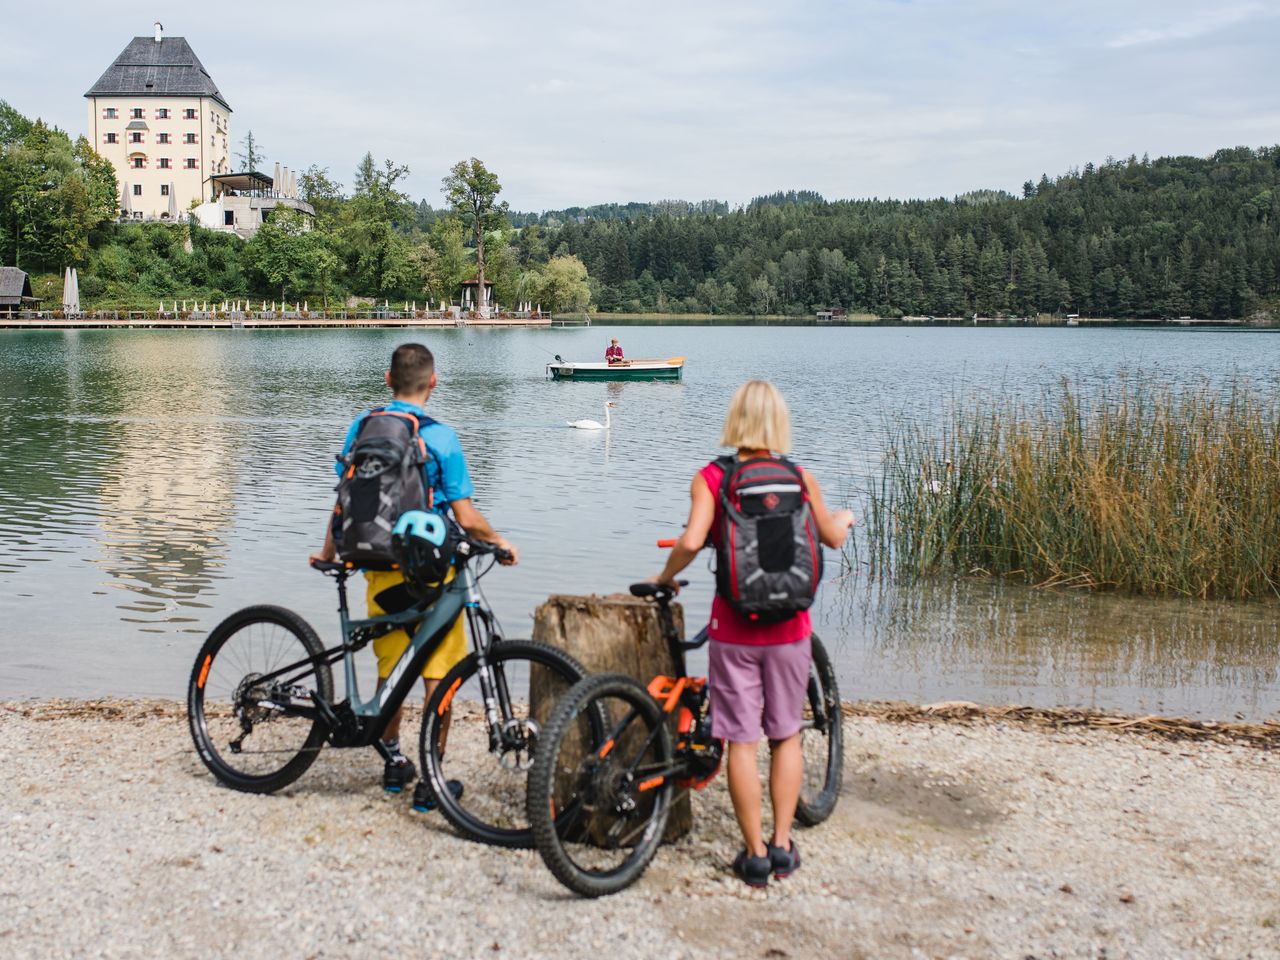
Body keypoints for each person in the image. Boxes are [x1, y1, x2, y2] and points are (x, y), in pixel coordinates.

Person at [652, 380, 853, 887]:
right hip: (791, 632)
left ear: (734, 421)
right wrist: (845, 519)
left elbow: (694, 540)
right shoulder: (799, 476)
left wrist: (664, 577)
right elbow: (830, 535)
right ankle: (783, 847)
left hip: (734, 629)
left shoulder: (713, 477)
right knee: (785, 736)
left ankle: (754, 855)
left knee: (740, 742)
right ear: (778, 422)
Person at [310, 343, 518, 807]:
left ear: (388, 379)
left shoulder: (361, 428)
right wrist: (501, 542)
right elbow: (466, 515)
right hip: (432, 573)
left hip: (378, 567)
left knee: (392, 677)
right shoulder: (441, 438)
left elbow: (344, 497)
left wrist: (329, 553)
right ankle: (431, 779)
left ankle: (392, 764)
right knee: (437, 680)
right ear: (434, 382)